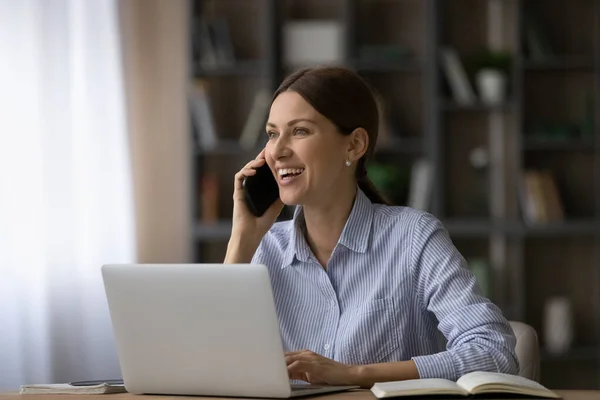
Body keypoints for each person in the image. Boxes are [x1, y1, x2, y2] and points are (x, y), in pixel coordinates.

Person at [224, 66, 519, 388]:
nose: (277, 152)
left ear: (354, 145)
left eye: (300, 131)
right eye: (271, 134)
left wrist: (355, 374)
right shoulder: (264, 248)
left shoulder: (413, 237)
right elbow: (213, 363)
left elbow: (493, 351)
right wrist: (243, 238)